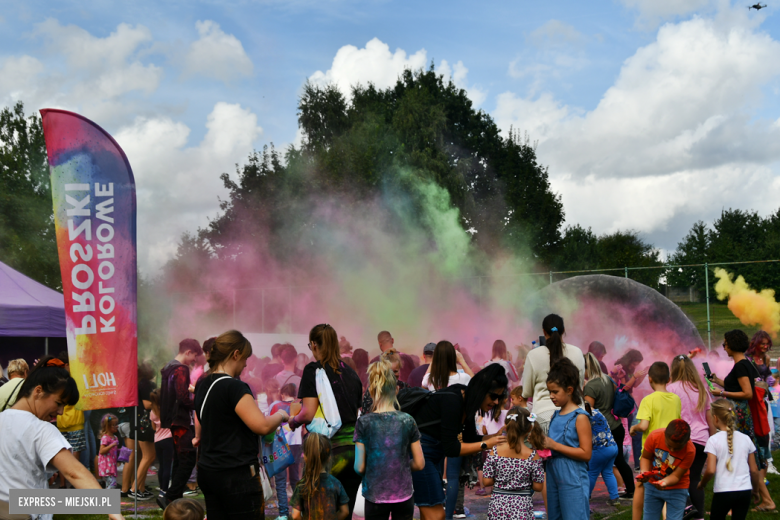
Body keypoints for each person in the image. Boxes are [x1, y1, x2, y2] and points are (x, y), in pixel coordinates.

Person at [0, 356, 124, 520]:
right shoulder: (41, 429)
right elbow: (73, 472)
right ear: (38, 391)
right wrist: (112, 510)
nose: (60, 411)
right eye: (59, 403)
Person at [193, 330, 290, 519]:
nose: (246, 364)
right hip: (235, 475)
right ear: (235, 354)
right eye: (245, 358)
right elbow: (261, 426)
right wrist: (280, 415)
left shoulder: (203, 384)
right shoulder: (234, 387)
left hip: (208, 470)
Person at [409, 363, 508, 520]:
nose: (496, 402)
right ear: (481, 391)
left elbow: (469, 438)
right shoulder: (455, 400)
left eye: (500, 398)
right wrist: (486, 444)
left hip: (432, 454)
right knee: (436, 514)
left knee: (429, 510)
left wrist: (494, 438)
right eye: (494, 396)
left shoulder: (465, 400)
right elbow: (452, 448)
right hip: (422, 454)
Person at [289, 324, 364, 517]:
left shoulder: (313, 370)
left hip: (327, 452)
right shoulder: (350, 372)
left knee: (320, 512)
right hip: (353, 451)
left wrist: (293, 421)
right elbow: (356, 409)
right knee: (344, 510)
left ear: (314, 344)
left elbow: (308, 412)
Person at [708, 329, 775, 512]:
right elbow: (737, 386)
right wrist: (719, 382)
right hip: (740, 414)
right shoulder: (743, 364)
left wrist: (721, 393)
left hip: (740, 417)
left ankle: (759, 499)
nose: (724, 347)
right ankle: (764, 499)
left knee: (741, 455)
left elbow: (747, 393)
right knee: (744, 457)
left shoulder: (741, 365)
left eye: (725, 344)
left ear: (732, 345)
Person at [354, 358, 425, 520]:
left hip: (374, 496)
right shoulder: (408, 420)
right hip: (404, 495)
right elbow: (420, 463)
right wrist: (399, 467)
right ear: (396, 390)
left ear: (371, 391)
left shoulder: (363, 423)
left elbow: (359, 467)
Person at [420, 341, 474, 519]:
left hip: (434, 434)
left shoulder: (431, 380)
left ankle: (437, 512)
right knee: (452, 477)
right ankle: (449, 516)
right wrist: (462, 361)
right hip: (455, 433)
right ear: (453, 358)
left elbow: (422, 383)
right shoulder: (463, 379)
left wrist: (434, 361)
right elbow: (476, 385)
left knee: (436, 475)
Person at [667, 355, 714, 519]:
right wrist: (714, 441)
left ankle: (686, 508)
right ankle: (699, 516)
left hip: (682, 440)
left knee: (676, 477)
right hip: (702, 440)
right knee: (695, 478)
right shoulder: (701, 389)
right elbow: (710, 418)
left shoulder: (670, 389)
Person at [544, 358, 592, 520]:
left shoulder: (580, 418)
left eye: (555, 392)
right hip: (553, 473)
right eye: (549, 392)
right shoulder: (555, 415)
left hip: (573, 475)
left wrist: (554, 445)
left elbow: (586, 454)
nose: (551, 396)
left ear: (570, 390)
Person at [522, 314, 585, 434]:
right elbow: (579, 387)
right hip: (575, 416)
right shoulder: (577, 353)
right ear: (564, 331)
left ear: (544, 332)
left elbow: (527, 392)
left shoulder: (533, 355)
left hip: (541, 418)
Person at [158, 339, 203, 507]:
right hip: (181, 421)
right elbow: (183, 397)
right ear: (188, 352)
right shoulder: (180, 369)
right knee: (188, 459)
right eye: (194, 357)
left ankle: (173, 499)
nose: (193, 361)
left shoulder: (167, 369)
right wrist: (200, 400)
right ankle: (170, 497)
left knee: (179, 459)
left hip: (172, 421)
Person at [583, 352, 634, 499]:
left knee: (595, 466)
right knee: (617, 462)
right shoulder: (608, 380)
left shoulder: (591, 386)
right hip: (616, 426)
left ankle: (587, 496)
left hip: (603, 431)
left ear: (587, 368)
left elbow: (588, 411)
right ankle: (629, 490)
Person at [700, 398, 761, 520]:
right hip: (745, 491)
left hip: (723, 491)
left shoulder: (713, 440)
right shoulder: (746, 439)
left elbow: (710, 470)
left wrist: (703, 483)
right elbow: (754, 470)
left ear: (715, 418)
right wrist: (755, 490)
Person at [482, 407, 545, 520]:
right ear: (529, 428)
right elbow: (538, 486)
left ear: (507, 425)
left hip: (498, 507)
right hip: (522, 508)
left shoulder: (495, 452)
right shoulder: (533, 456)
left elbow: (486, 481)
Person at [639, 420, 695, 520]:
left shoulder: (690, 450)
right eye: (669, 446)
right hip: (652, 485)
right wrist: (644, 472)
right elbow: (646, 457)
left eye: (677, 448)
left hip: (677, 489)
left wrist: (664, 482)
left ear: (687, 441)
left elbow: (677, 476)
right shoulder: (654, 436)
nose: (672, 450)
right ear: (664, 435)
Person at [290, 433, 349, 520]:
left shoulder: (302, 485)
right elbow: (345, 512)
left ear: (305, 457)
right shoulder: (336, 483)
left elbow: (295, 515)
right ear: (329, 458)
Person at [269, 383, 304, 520]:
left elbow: (270, 425)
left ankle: (283, 514)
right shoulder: (300, 406)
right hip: (296, 444)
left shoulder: (276, 406)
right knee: (296, 478)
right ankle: (298, 510)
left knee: (281, 480)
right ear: (294, 394)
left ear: (283, 393)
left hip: (280, 445)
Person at [629, 361, 681, 449]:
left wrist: (633, 428)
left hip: (652, 449)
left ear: (650, 379)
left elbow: (643, 426)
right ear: (668, 379)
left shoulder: (647, 400)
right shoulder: (676, 399)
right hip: (670, 447)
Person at [125, 362, 157, 500]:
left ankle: (139, 488)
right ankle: (134, 488)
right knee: (149, 456)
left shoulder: (137, 382)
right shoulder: (146, 384)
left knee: (138, 456)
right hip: (144, 423)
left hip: (136, 421)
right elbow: (147, 403)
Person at [584, 402, 619, 505]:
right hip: (612, 446)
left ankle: (585, 497)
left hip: (600, 449)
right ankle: (615, 498)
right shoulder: (597, 413)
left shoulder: (588, 415)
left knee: (591, 473)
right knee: (608, 472)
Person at [360, 350, 407, 415]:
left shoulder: (405, 387)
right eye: (390, 372)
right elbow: (365, 414)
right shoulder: (373, 389)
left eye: (395, 371)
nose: (393, 375)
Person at [150, 389, 173, 499]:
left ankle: (161, 488)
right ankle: (165, 490)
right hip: (168, 439)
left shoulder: (152, 412)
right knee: (168, 466)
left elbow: (154, 427)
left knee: (161, 466)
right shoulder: (168, 409)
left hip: (157, 440)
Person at [98, 414, 120, 489]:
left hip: (112, 466)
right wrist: (112, 445)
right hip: (106, 466)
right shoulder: (105, 438)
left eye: (117, 424)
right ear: (108, 427)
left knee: (109, 484)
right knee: (113, 484)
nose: (117, 426)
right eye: (114, 425)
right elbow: (102, 451)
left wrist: (121, 451)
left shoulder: (115, 437)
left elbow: (114, 450)